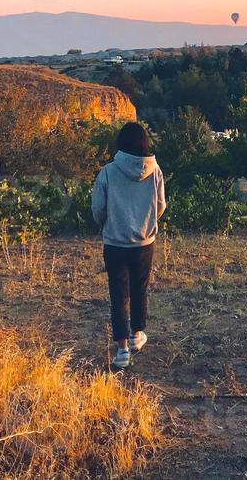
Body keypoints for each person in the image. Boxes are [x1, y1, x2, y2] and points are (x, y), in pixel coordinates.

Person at [91, 121, 166, 369]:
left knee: (118, 295)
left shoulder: (108, 172)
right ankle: (137, 335)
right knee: (139, 289)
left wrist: (106, 224)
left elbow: (98, 209)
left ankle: (122, 351)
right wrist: (147, 221)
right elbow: (161, 204)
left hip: (115, 242)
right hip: (144, 242)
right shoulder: (155, 170)